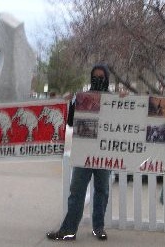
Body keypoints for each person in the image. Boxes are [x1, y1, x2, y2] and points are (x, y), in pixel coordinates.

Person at [46, 64, 111, 241]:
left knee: (102, 191)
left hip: (104, 153)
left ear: (107, 79)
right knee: (77, 191)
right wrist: (68, 102)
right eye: (95, 76)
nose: (98, 79)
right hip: (84, 151)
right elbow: (69, 122)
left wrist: (124, 99)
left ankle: (99, 228)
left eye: (101, 77)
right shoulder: (81, 98)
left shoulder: (113, 100)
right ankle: (68, 229)